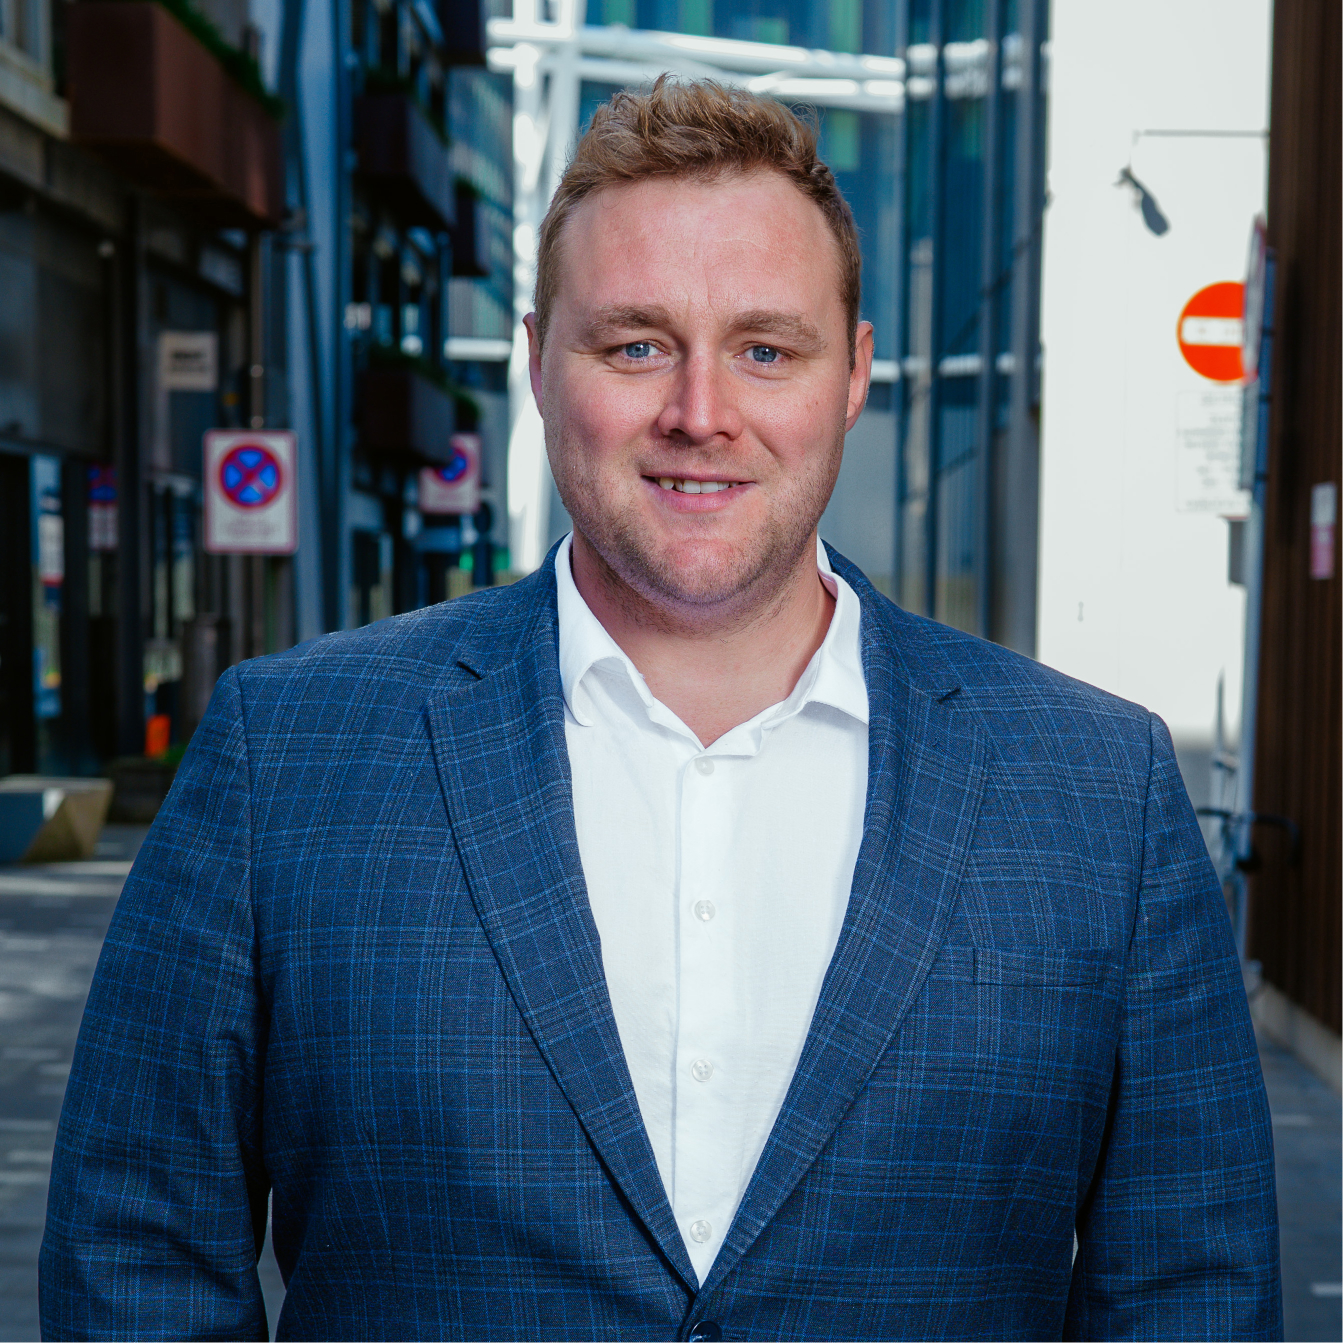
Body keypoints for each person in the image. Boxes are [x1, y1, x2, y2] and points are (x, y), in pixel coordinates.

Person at [41, 79, 1281, 1341]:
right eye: (635, 345)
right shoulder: (289, 754)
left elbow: (1188, 1295)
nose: (699, 412)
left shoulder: (1097, 790)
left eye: (764, 349)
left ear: (854, 372)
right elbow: (135, 1257)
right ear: (539, 363)